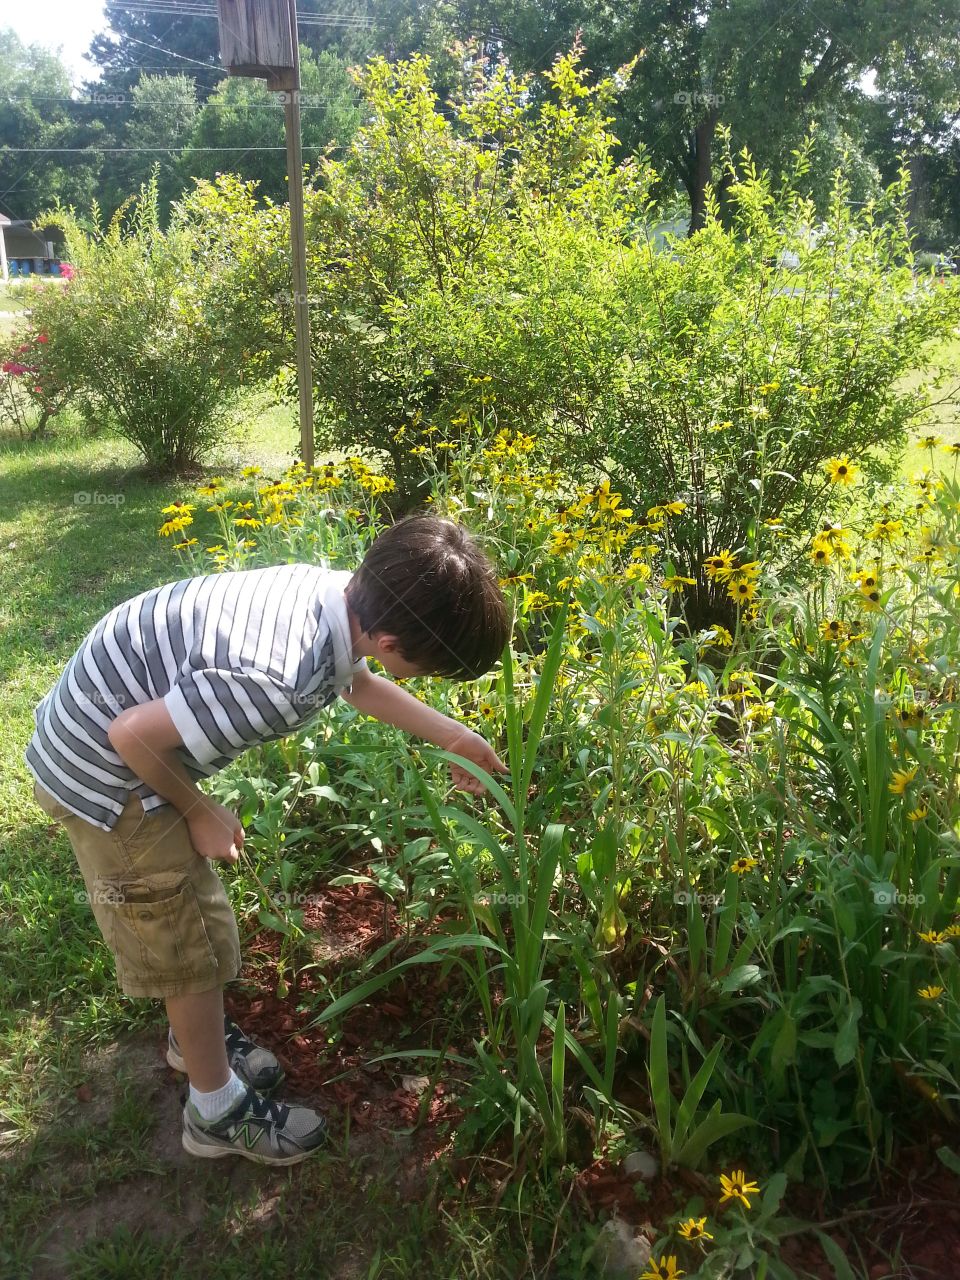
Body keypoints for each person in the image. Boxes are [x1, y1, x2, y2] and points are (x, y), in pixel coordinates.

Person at [27, 514, 510, 1165]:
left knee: (198, 927)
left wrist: (454, 735)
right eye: (430, 669)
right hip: (105, 776)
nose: (426, 678)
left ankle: (191, 1038)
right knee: (183, 939)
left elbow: (358, 684)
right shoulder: (278, 677)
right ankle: (214, 1110)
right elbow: (133, 737)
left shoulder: (339, 597)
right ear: (391, 639)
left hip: (113, 733)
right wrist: (198, 810)